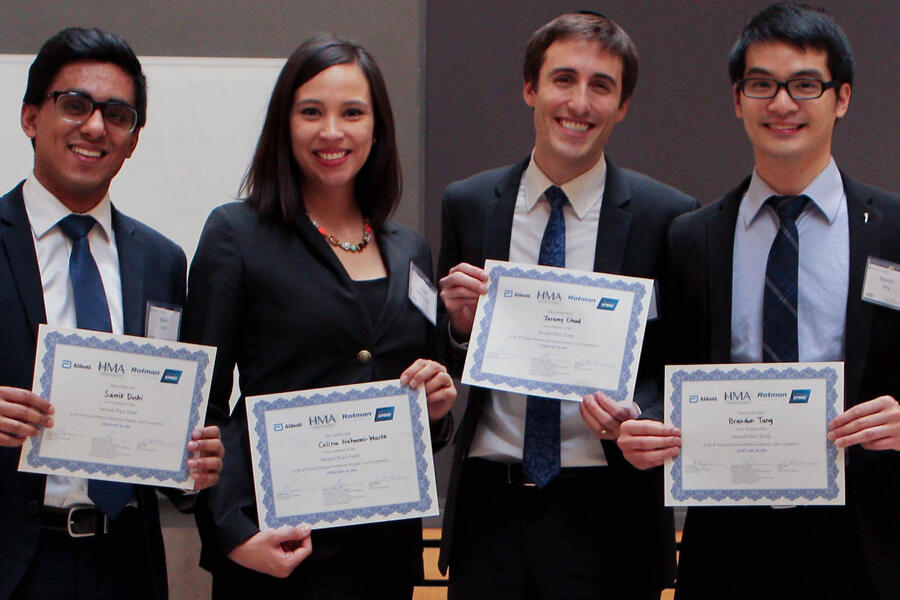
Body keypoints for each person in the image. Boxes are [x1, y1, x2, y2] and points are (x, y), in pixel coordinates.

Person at [617, 3, 900, 599]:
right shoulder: (693, 237)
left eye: (805, 85)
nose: (782, 104)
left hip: (868, 538)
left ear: (841, 98)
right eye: (761, 85)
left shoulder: (894, 229)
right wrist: (640, 419)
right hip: (728, 537)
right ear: (737, 99)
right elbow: (660, 369)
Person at [184, 34, 456, 599]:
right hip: (275, 552)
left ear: (376, 127)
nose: (332, 132)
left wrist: (433, 406)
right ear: (284, 124)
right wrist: (231, 533)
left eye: (352, 113)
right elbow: (199, 410)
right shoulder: (237, 234)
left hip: (383, 559)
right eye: (311, 112)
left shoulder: (411, 251)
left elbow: (423, 427)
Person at [436, 12, 696, 599]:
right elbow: (440, 357)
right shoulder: (471, 203)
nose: (579, 103)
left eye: (601, 86)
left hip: (610, 514)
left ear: (622, 105)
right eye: (563, 80)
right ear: (531, 89)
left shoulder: (668, 216)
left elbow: (680, 361)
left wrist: (639, 412)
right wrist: (456, 328)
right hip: (489, 511)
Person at [0, 27, 224, 600]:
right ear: (29, 117)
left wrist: (193, 467)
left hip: (125, 563)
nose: (95, 126)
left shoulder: (162, 261)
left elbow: (174, 414)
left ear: (132, 139)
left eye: (117, 114)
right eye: (74, 104)